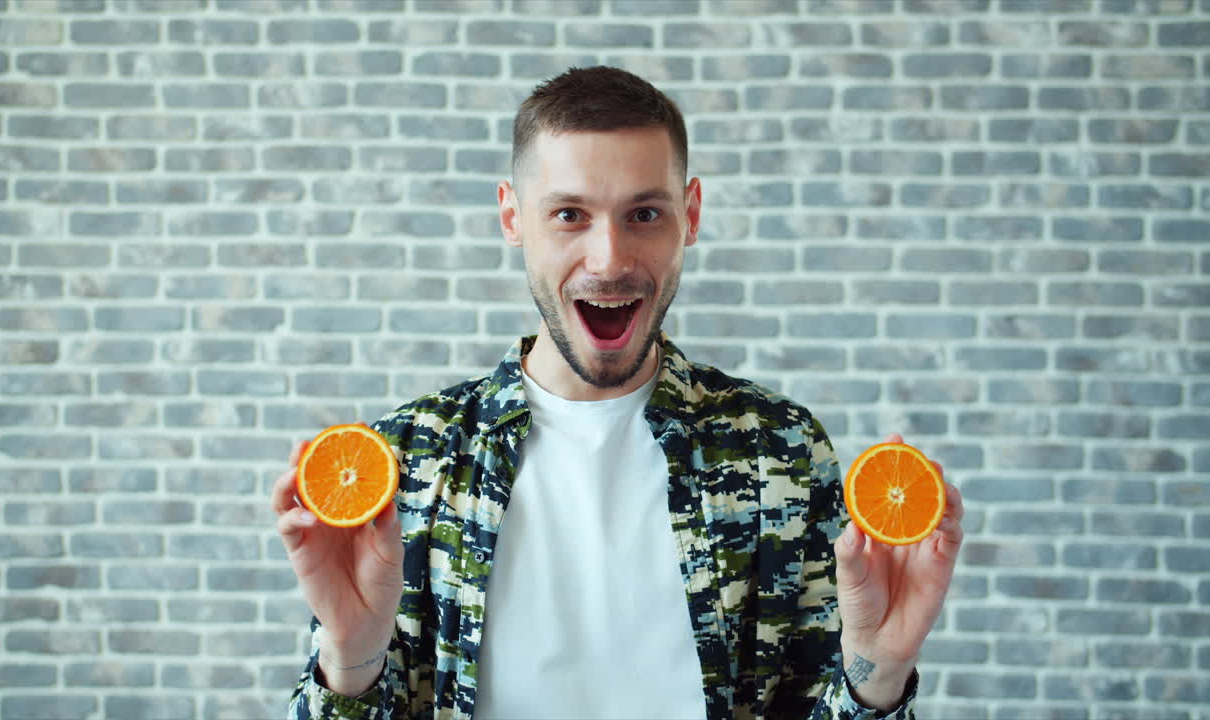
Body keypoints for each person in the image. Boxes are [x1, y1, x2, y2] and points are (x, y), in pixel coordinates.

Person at [272, 66, 964, 719]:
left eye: (644, 214)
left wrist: (878, 671)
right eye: (569, 214)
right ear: (513, 217)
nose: (608, 260)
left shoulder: (779, 450)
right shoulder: (408, 460)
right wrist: (350, 657)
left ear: (690, 214)